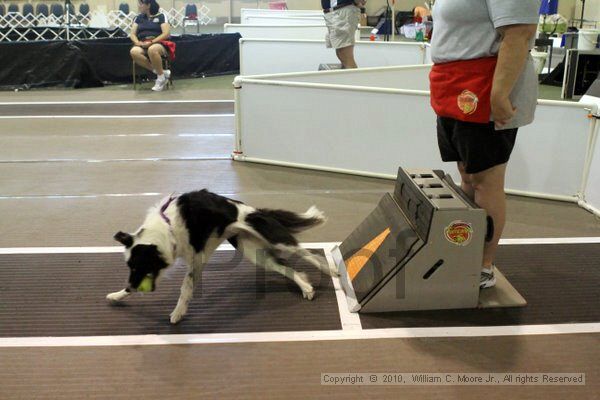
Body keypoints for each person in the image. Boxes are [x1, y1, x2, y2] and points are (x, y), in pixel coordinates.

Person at [429, 0, 540, 288]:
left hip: (483, 86)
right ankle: (466, 253)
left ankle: (483, 265)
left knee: (485, 181)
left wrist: (500, 94)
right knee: (467, 175)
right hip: (454, 84)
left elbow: (520, 31)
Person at [129, 0, 172, 92]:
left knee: (152, 50)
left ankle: (160, 79)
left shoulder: (161, 16)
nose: (139, 6)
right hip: (142, 43)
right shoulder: (138, 18)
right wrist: (137, 42)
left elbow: (166, 33)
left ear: (148, 5)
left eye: (141, 4)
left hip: (159, 43)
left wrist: (152, 42)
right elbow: (132, 34)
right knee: (134, 52)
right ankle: (161, 73)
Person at [322, 0, 367, 69]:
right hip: (337, 12)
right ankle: (349, 78)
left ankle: (353, 79)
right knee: (341, 53)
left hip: (342, 11)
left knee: (344, 54)